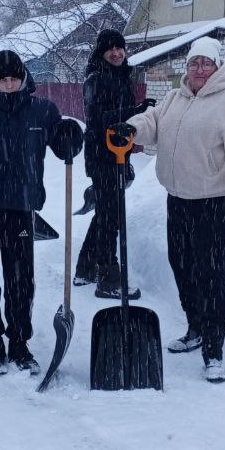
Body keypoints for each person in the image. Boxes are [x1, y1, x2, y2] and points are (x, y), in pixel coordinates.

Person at [122, 36, 225, 383]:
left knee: (210, 274)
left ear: (217, 66)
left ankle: (213, 349)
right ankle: (195, 327)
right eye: (194, 63)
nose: (199, 69)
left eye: (205, 63)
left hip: (213, 202)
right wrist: (132, 128)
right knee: (181, 264)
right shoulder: (176, 96)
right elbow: (153, 120)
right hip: (178, 198)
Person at [0, 50, 82, 377]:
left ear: (23, 78)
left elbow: (64, 145)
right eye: (3, 79)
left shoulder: (43, 111)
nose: (9, 85)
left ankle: (20, 342)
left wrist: (71, 138)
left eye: (14, 78)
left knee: (21, 281)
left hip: (21, 209)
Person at [73, 28, 155, 299]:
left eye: (120, 48)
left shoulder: (121, 77)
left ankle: (85, 268)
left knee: (105, 215)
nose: (117, 53)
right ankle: (108, 278)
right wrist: (135, 110)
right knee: (111, 218)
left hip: (119, 155)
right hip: (102, 157)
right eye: (110, 49)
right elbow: (98, 120)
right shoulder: (95, 79)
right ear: (101, 51)